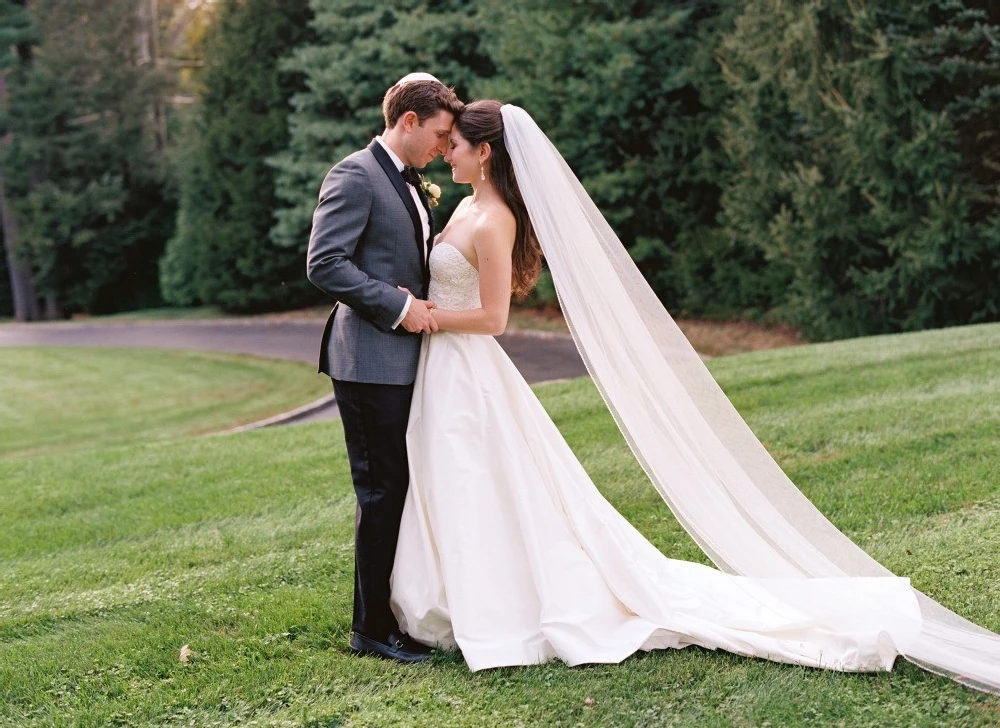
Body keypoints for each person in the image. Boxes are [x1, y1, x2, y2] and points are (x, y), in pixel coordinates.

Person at [388, 99, 927, 673]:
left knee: (476, 479)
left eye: (457, 145)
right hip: (444, 367)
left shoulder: (496, 220)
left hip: (466, 366)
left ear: (486, 152)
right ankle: (450, 593)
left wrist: (428, 316)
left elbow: (494, 319)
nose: (447, 152)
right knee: (457, 479)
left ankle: (494, 603)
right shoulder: (467, 205)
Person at [306, 74, 462, 664]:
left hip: (401, 361)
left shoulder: (410, 181)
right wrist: (399, 307)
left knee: (399, 487)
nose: (444, 150)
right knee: (381, 491)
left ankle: (394, 610)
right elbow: (325, 264)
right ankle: (370, 627)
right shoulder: (355, 174)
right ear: (409, 121)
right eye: (440, 136)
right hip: (368, 361)